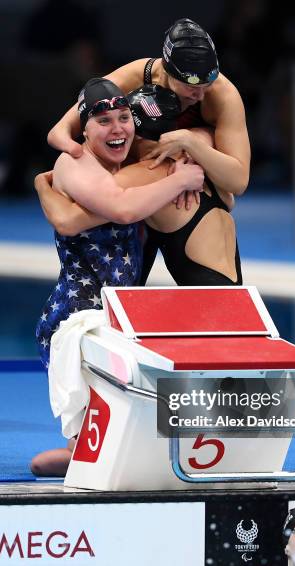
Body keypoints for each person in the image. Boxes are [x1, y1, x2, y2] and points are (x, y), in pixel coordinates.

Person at [31, 77, 203, 477]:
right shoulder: (73, 163)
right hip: (77, 318)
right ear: (84, 130)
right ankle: (78, 453)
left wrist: (182, 163)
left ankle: (83, 452)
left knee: (131, 430)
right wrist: (177, 180)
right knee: (100, 443)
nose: (118, 129)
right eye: (104, 121)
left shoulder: (128, 164)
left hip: (115, 315)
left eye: (124, 118)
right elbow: (123, 210)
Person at [36, 84, 242, 287]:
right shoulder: (202, 161)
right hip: (240, 299)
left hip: (208, 308)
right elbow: (231, 197)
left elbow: (68, 221)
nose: (119, 131)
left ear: (138, 131)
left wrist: (41, 184)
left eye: (125, 119)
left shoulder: (149, 173)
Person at [46, 18, 250, 198]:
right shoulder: (137, 76)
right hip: (145, 172)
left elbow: (238, 182)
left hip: (194, 181)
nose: (201, 95)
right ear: (167, 71)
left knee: (201, 136)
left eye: (206, 85)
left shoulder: (223, 96)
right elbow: (59, 132)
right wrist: (79, 154)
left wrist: (190, 144)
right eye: (191, 87)